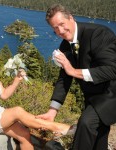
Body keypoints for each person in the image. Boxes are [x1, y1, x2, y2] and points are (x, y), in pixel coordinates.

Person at [37, 4, 116, 150]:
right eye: (55, 28)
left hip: (110, 95)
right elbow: (63, 79)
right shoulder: (65, 46)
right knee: (99, 139)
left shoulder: (98, 34)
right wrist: (52, 111)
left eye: (62, 24)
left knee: (85, 123)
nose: (60, 31)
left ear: (71, 18)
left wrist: (74, 71)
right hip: (93, 99)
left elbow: (112, 70)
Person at [0, 44, 72, 150]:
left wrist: (16, 80)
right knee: (17, 111)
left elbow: (4, 95)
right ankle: (57, 127)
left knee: (25, 134)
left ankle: (53, 127)